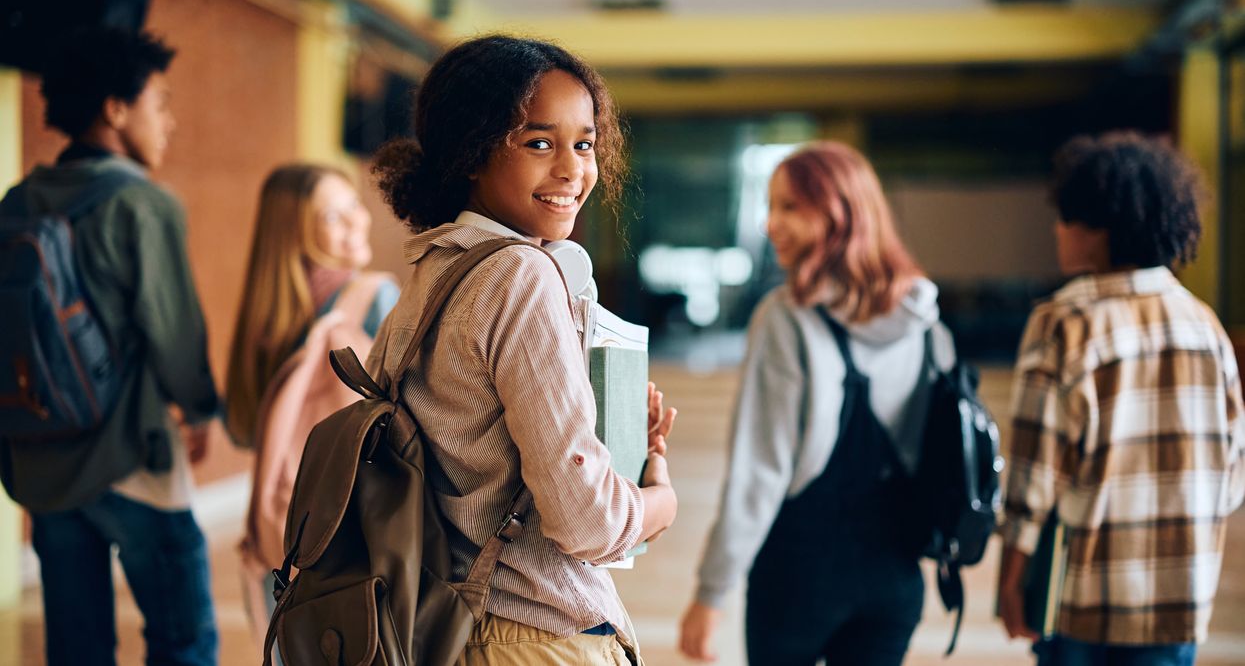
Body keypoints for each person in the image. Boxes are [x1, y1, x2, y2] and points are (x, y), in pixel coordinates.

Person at [366, 34, 677, 664]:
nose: (572, 169)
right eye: (539, 142)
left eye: (584, 144)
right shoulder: (519, 276)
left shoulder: (435, 269)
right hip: (531, 636)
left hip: (445, 624)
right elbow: (586, 523)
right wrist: (657, 500)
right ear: (472, 152)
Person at [679, 141, 954, 665]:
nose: (770, 224)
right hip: (896, 578)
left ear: (838, 215)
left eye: (790, 207)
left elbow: (758, 473)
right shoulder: (926, 324)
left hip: (798, 576)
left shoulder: (786, 319)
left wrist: (711, 593)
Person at [0, 27, 220, 665]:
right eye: (161, 104)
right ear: (115, 109)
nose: (169, 122)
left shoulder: (17, 202)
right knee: (184, 641)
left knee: (77, 647)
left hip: (41, 455)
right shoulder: (142, 202)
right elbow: (173, 329)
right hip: (133, 454)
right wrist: (201, 408)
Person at [995, 131, 1245, 666]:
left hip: (1082, 600)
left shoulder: (1063, 322)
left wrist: (1011, 579)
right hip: (1179, 602)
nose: (1058, 230)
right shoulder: (1206, 327)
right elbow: (1231, 477)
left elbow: (1031, 476)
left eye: (1068, 217)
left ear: (1100, 229)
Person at [224, 163, 399, 648]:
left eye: (353, 208)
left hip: (278, 540)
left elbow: (241, 429)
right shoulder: (374, 298)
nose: (358, 221)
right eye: (334, 217)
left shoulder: (265, 319)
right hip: (347, 539)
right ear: (296, 230)